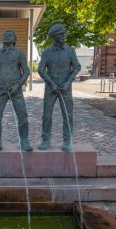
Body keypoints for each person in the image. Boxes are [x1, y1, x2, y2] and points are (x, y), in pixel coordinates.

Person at [38, 24, 81, 152]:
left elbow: (77, 67)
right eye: (61, 34)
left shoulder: (70, 51)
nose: (63, 36)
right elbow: (41, 70)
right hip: (51, 89)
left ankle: (67, 141)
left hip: (66, 88)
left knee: (68, 115)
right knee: (47, 115)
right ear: (54, 36)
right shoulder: (46, 52)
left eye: (64, 34)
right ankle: (46, 140)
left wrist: (68, 82)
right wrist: (51, 83)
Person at [0, 29, 33, 152]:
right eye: (5, 34)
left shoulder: (19, 54)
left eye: (9, 34)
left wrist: (18, 85)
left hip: (16, 89)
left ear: (14, 39)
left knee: (23, 116)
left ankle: (24, 141)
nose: (6, 35)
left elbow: (26, 71)